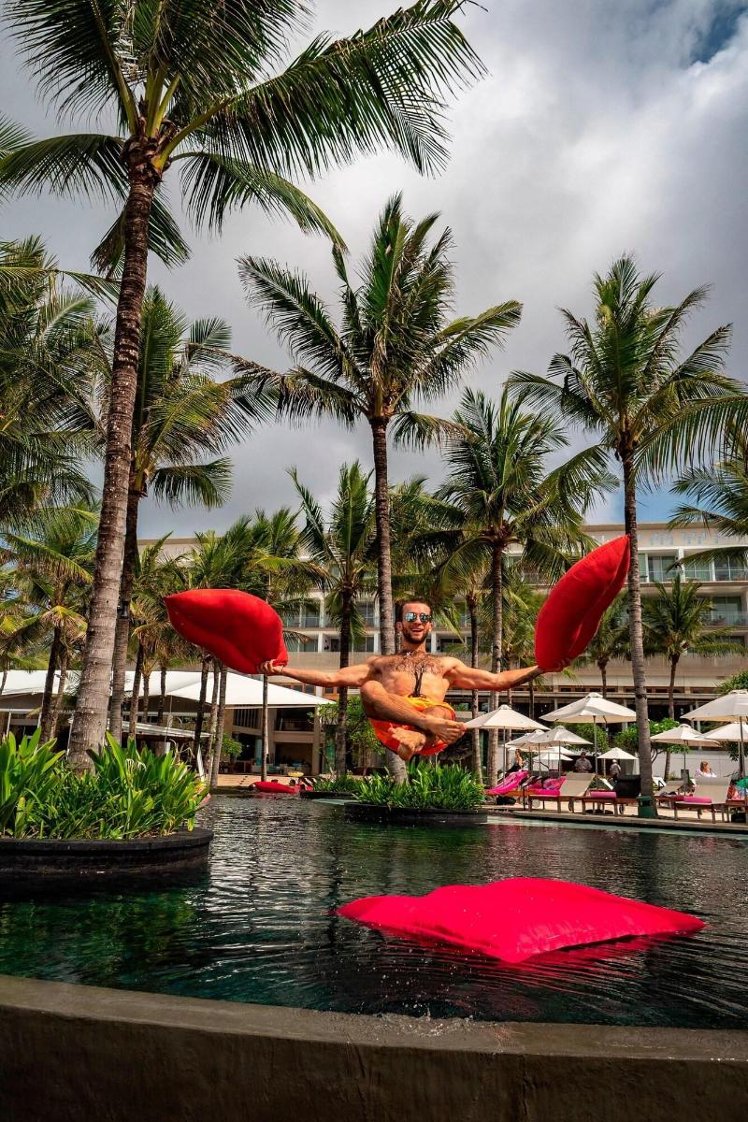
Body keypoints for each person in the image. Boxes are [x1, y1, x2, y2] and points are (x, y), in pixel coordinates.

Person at [260, 599, 542, 761]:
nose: (417, 621)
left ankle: (419, 734)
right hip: (393, 727)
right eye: (410, 616)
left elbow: (498, 680)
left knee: (439, 709)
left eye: (423, 617)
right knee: (370, 687)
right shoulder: (381, 664)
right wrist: (283, 671)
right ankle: (422, 727)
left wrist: (542, 667)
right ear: (400, 625)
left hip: (434, 730)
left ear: (430, 625)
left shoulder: (446, 665)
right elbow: (330, 677)